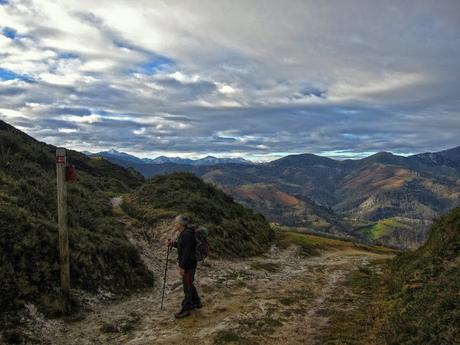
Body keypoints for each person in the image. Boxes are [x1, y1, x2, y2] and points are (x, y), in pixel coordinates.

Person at [168, 214, 202, 318]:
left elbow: (187, 252)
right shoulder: (185, 232)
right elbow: (183, 246)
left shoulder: (186, 234)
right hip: (189, 263)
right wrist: (172, 244)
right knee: (189, 283)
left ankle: (186, 309)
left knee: (187, 287)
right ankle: (196, 302)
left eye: (176, 222)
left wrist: (182, 266)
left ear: (181, 224)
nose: (175, 224)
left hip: (188, 264)